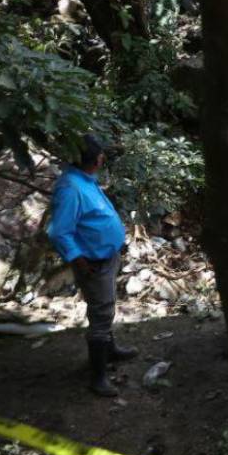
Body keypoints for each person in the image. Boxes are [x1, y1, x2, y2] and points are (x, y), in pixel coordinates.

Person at [46, 134, 138, 397]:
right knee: (101, 314)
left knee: (105, 308)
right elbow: (59, 232)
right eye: (101, 155)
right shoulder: (71, 188)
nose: (103, 158)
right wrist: (79, 260)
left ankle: (110, 351)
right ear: (96, 160)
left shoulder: (83, 179)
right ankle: (98, 377)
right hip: (93, 263)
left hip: (106, 257)